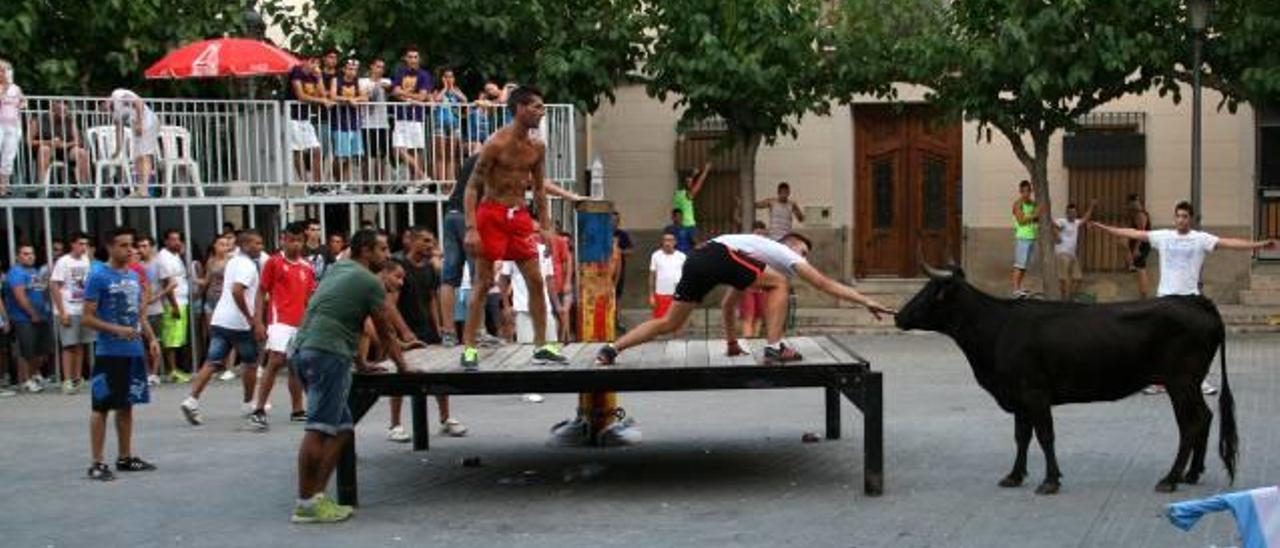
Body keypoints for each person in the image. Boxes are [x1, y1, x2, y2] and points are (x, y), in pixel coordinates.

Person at [594, 233, 895, 366]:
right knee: (780, 283)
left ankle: (611, 350)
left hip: (699, 258)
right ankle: (775, 348)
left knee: (669, 322)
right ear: (789, 245)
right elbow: (824, 283)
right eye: (802, 252)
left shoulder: (750, 260)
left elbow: (728, 305)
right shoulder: (782, 254)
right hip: (717, 254)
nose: (802, 259)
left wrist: (732, 343)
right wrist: (865, 301)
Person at [1091, 200, 1278, 396]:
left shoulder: (1200, 239)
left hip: (1189, 299)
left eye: (1185, 217)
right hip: (1166, 299)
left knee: (1195, 342)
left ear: (1190, 219)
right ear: (1175, 218)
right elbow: (1132, 233)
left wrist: (1259, 244)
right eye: (1178, 216)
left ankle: (1199, 379)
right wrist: (1103, 227)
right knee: (1159, 341)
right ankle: (1158, 381)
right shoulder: (1163, 236)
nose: (1181, 220)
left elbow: (1230, 243)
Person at [291, 229, 406, 524]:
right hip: (327, 353)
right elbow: (384, 330)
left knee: (342, 427)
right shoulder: (370, 281)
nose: (386, 255)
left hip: (307, 348)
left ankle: (316, 497)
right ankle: (305, 503)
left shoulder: (338, 268)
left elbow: (345, 319)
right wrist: (405, 369)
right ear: (366, 251)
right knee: (318, 427)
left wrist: (361, 363)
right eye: (381, 249)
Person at [459, 85, 567, 369]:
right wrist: (471, 227)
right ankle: (469, 347)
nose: (541, 113)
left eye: (543, 107)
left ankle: (542, 345)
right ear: (520, 108)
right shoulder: (496, 143)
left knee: (536, 280)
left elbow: (540, 189)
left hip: (518, 215)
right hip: (491, 213)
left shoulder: (537, 147)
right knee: (483, 282)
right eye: (537, 107)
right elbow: (471, 187)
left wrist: (544, 225)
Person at [81, 226, 160, 481]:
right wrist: (116, 329)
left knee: (127, 406)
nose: (130, 251)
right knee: (101, 406)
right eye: (124, 246)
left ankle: (125, 457)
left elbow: (138, 313)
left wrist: (150, 337)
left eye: (131, 245)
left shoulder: (134, 276)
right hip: (109, 352)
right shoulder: (98, 275)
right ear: (110, 247)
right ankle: (97, 462)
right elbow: (87, 318)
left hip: (132, 350)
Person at [180, 230, 266, 425]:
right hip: (239, 323)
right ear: (245, 245)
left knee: (212, 362)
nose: (260, 247)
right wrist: (250, 318)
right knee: (251, 363)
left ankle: (191, 400)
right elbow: (237, 291)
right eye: (256, 243)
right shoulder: (246, 265)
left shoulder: (234, 261)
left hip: (220, 319)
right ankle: (248, 403)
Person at [248, 222, 313, 431]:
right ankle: (259, 410)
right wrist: (257, 321)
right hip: (279, 321)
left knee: (297, 366)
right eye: (291, 240)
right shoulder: (274, 263)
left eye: (299, 240)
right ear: (283, 240)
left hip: (301, 323)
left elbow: (310, 297)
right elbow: (261, 291)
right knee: (275, 361)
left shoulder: (307, 267)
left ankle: (297, 409)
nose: (295, 244)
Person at [50, 232, 95, 394]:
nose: (84, 247)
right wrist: (62, 312)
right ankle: (67, 380)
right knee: (69, 345)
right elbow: (54, 286)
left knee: (80, 344)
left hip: (82, 308)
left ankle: (77, 378)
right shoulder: (63, 262)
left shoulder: (85, 260)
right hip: (68, 308)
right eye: (81, 244)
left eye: (86, 244)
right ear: (73, 244)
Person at [5, 244, 53, 393]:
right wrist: (32, 314)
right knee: (27, 351)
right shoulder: (16, 273)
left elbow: (40, 290)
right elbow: (20, 297)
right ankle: (26, 380)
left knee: (41, 351)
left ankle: (34, 375)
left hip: (41, 316)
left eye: (32, 253)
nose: (30, 256)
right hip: (24, 318)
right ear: (18, 257)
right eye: (25, 254)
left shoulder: (34, 271)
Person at [390, 46, 433, 187]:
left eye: (415, 57)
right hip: (401, 116)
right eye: (410, 57)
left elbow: (422, 96)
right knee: (398, 149)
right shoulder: (400, 73)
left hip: (416, 117)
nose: (413, 60)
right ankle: (422, 176)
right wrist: (410, 98)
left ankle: (415, 183)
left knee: (415, 150)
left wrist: (405, 95)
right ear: (405, 58)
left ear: (419, 59)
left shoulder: (424, 74)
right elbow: (395, 92)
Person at [288, 54, 332, 188]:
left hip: (306, 118)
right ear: (305, 61)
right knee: (298, 150)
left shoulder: (314, 76)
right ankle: (304, 183)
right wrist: (321, 100)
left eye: (317, 64)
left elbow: (323, 95)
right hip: (293, 116)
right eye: (313, 62)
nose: (315, 66)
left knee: (317, 149)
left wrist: (319, 78)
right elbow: (301, 95)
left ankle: (317, 184)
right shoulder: (297, 72)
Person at [104, 89, 158, 198]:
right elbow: (119, 131)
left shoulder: (118, 95)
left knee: (144, 155)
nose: (105, 109)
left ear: (106, 100)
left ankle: (144, 189)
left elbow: (139, 102)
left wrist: (139, 122)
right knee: (137, 158)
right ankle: (141, 188)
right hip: (137, 127)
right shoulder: (115, 113)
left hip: (147, 122)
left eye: (104, 105)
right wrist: (117, 150)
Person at [503, 237, 557, 343]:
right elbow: (503, 279)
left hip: (545, 308)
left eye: (536, 232)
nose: (533, 236)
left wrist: (557, 305)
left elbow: (549, 280)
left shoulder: (545, 251)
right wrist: (506, 306)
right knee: (526, 350)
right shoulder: (511, 252)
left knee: (551, 345)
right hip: (523, 309)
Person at [29, 100, 90, 190]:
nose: (64, 114)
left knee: (82, 152)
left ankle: (84, 188)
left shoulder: (69, 121)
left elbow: (78, 140)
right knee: (44, 149)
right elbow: (29, 141)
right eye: (61, 111)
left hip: (65, 150)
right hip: (46, 150)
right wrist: (49, 142)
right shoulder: (38, 120)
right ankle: (40, 186)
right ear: (53, 108)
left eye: (66, 111)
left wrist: (66, 144)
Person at [157, 230, 192, 383]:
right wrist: (174, 306)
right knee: (171, 339)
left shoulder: (176, 255)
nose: (177, 242)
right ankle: (172, 371)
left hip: (182, 301)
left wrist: (183, 254)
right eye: (173, 240)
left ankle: (176, 370)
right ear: (165, 241)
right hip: (173, 303)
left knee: (178, 339)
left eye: (178, 239)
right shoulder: (163, 258)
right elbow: (167, 283)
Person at [330, 59, 367, 187]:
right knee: (340, 155)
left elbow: (365, 97)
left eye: (355, 69)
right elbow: (333, 96)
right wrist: (348, 100)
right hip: (340, 123)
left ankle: (343, 183)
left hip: (355, 123)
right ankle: (337, 182)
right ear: (344, 69)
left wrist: (355, 99)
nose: (352, 72)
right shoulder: (337, 80)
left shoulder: (357, 82)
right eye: (350, 69)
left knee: (350, 156)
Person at [1051, 200, 1096, 301]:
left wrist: (1092, 206)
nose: (1072, 214)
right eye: (1070, 212)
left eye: (1074, 212)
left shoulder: (1076, 222)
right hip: (1062, 253)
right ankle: (1065, 301)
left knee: (1078, 278)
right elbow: (1053, 224)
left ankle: (1070, 299)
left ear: (1076, 213)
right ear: (1066, 213)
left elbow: (1085, 218)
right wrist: (1056, 234)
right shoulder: (1062, 221)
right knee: (1064, 279)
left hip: (1072, 255)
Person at [359, 58, 393, 186]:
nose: (380, 70)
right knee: (367, 156)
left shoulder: (387, 81)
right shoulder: (363, 82)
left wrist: (385, 86)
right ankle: (366, 184)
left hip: (383, 123)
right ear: (371, 67)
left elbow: (393, 90)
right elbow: (368, 99)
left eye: (382, 67)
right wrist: (375, 86)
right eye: (378, 66)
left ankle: (379, 183)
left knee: (382, 155)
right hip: (367, 123)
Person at [431, 68, 466, 182]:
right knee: (440, 156)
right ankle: (441, 183)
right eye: (446, 76)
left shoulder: (456, 90)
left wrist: (452, 90)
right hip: (440, 124)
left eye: (451, 76)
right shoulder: (437, 90)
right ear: (442, 78)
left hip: (454, 125)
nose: (449, 79)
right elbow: (436, 100)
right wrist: (445, 88)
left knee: (451, 156)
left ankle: (450, 183)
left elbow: (464, 100)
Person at [736, 221, 770, 337]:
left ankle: (756, 340)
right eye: (757, 233)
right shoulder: (744, 248)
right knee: (748, 315)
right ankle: (748, 341)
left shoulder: (768, 249)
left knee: (759, 315)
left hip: (762, 286)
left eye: (762, 234)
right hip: (747, 286)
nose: (760, 236)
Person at [1011, 180, 1042, 298]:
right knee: (1019, 265)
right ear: (1020, 191)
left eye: (1028, 191)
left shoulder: (1032, 204)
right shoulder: (1018, 204)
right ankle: (1015, 289)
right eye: (1023, 191)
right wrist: (1036, 214)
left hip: (1031, 237)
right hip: (1022, 237)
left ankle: (1019, 287)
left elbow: (1036, 218)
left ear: (1031, 191)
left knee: (1024, 265)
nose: (1026, 194)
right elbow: (1021, 220)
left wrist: (1036, 215)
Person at [648, 232, 687, 321]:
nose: (667, 243)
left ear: (675, 242)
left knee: (677, 320)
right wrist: (651, 295)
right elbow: (652, 276)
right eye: (665, 240)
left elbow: (686, 276)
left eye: (670, 240)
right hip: (661, 294)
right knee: (660, 321)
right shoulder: (656, 255)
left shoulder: (682, 256)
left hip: (677, 295)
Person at [0, 62, 24, 197]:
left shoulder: (16, 88)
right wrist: (4, 89)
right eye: (2, 71)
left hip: (13, 125)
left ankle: (2, 189)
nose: (5, 73)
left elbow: (23, 101)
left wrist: (21, 104)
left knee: (8, 157)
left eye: (7, 70)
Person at [1127, 193, 1154, 298]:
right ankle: (1143, 293)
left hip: (1142, 245)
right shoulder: (1138, 213)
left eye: (1131, 204)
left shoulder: (1140, 214)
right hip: (1142, 244)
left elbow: (1141, 232)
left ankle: (1143, 295)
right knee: (1139, 268)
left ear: (1133, 202)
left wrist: (1136, 249)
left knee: (1141, 269)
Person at [673, 162, 711, 230]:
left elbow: (686, 182)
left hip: (678, 225)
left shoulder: (676, 193)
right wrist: (706, 170)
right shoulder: (688, 195)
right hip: (688, 226)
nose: (692, 183)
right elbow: (699, 183)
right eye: (690, 182)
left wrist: (693, 175)